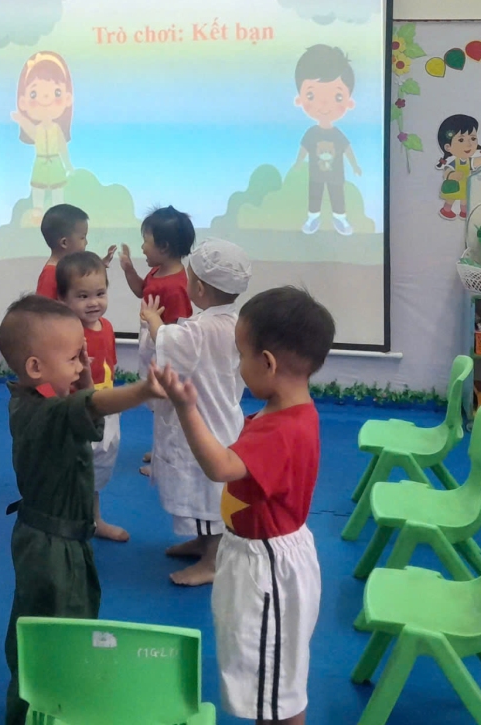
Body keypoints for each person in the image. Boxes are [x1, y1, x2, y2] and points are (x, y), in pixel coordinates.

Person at [151, 286, 334, 725]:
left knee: (276, 688)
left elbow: (220, 467)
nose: (237, 366)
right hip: (254, 553)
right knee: (261, 674)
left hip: (267, 566)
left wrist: (186, 408)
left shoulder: (283, 428)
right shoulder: (283, 410)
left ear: (267, 363)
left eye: (240, 355)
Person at [0, 295, 160, 725]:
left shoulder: (32, 399)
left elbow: (84, 410)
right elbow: (91, 407)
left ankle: (41, 700)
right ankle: (44, 706)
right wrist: (144, 390)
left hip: (56, 537)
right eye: (73, 358)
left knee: (49, 618)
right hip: (52, 546)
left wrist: (84, 375)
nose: (81, 364)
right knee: (56, 626)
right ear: (36, 367)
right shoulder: (45, 412)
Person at [142, 238, 251, 586]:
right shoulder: (236, 322)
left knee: (205, 492)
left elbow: (169, 344)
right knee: (204, 489)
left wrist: (153, 320)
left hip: (203, 423)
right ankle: (202, 544)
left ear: (199, 288)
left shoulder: (199, 329)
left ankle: (213, 559)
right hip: (224, 419)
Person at [55, 250, 127, 542]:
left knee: (98, 469)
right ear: (63, 299)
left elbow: (110, 367)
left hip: (106, 409)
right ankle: (64, 523)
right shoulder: (66, 334)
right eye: (82, 296)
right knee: (72, 469)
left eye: (100, 293)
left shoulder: (107, 327)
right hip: (78, 412)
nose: (94, 302)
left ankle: (95, 520)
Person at [121, 205, 194, 474]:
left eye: (146, 242)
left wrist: (165, 357)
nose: (142, 248)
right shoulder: (158, 271)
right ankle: (163, 450)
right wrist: (129, 270)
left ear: (163, 247)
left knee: (167, 408)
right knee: (157, 406)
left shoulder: (176, 285)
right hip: (151, 345)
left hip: (164, 351)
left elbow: (177, 331)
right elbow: (141, 291)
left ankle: (168, 460)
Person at [293, 44, 361, 235]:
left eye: (337, 96)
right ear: (299, 99)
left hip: (336, 176)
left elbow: (347, 149)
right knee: (315, 196)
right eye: (311, 95)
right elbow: (304, 148)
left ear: (349, 101)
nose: (323, 104)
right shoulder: (311, 133)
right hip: (315, 175)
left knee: (337, 195)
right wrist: (298, 162)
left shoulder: (338, 134)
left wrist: (355, 166)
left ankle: (340, 218)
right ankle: (313, 218)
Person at [10, 50, 74, 224]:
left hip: (55, 161)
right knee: (38, 188)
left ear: (68, 98)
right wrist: (21, 119)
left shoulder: (57, 129)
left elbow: (62, 147)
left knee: (57, 189)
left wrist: (68, 164)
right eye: (34, 94)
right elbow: (30, 129)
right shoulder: (37, 129)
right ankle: (37, 211)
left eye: (56, 93)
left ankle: (60, 212)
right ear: (23, 102)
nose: (45, 99)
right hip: (40, 162)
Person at [35, 202, 114, 298]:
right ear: (64, 243)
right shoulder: (50, 275)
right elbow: (42, 306)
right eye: (82, 237)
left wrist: (101, 265)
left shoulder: (69, 269)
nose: (86, 242)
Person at [434, 114, 481, 220]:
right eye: (461, 140)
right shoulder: (454, 161)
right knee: (451, 198)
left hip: (465, 185)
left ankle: (464, 212)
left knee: (465, 199)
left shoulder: (468, 161)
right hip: (455, 185)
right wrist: (451, 175)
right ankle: (446, 210)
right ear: (448, 147)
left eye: (473, 138)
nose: (469, 144)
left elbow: (475, 163)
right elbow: (447, 170)